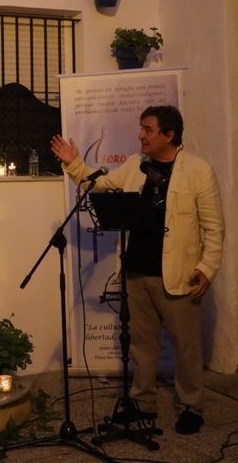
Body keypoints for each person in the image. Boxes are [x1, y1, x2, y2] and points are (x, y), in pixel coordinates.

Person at [51, 105, 224, 435]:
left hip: (180, 274)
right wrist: (73, 163)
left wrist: (207, 267)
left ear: (169, 135)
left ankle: (191, 406)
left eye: (148, 129)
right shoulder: (135, 164)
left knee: (186, 345)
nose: (140, 135)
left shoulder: (198, 170)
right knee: (142, 345)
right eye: (141, 128)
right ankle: (143, 402)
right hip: (136, 270)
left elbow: (214, 228)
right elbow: (100, 185)